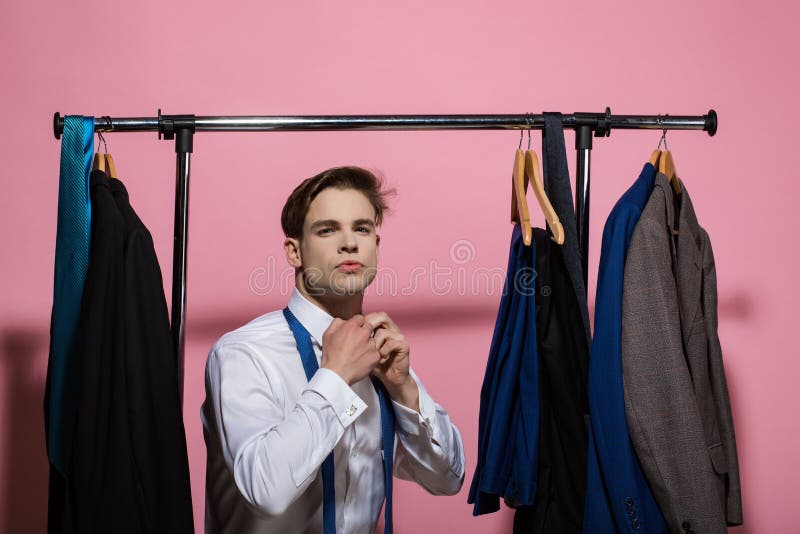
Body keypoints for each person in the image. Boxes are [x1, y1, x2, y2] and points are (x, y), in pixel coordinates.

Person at [201, 166, 466, 533]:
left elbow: (447, 479)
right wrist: (335, 377)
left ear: (376, 245)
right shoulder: (245, 353)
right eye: (327, 230)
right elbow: (265, 491)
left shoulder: (381, 355)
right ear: (295, 251)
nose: (349, 243)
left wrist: (404, 389)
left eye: (361, 228)